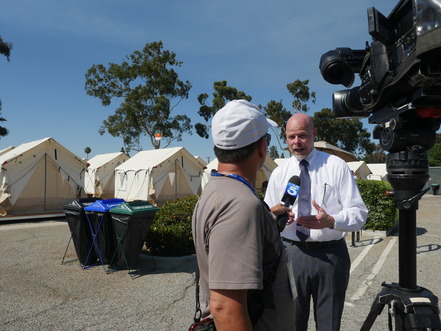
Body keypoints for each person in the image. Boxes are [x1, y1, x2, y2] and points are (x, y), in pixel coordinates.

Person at [192, 99, 295, 331]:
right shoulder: (241, 205)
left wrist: (267, 215)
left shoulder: (218, 189)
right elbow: (225, 308)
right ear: (261, 148)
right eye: (267, 140)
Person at [264, 113, 368, 331]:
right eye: (291, 137)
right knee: (291, 323)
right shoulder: (279, 172)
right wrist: (278, 216)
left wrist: (331, 220)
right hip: (291, 254)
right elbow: (266, 218)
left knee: (329, 324)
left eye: (302, 135)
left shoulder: (336, 166)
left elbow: (359, 214)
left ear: (314, 134)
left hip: (331, 256)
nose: (296, 142)